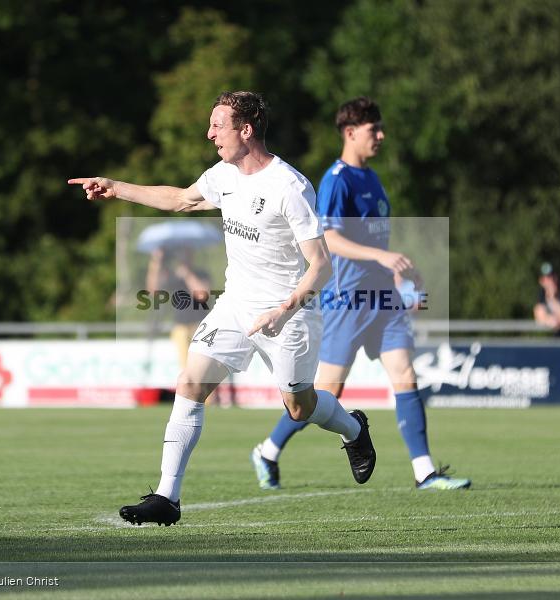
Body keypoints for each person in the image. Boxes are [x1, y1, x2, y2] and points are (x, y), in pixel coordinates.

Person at [68, 91, 376, 526]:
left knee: (299, 407)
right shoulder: (223, 174)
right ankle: (167, 497)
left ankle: (354, 429)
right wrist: (117, 188)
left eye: (218, 125)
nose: (209, 134)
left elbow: (321, 265)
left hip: (290, 315)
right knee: (190, 382)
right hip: (235, 306)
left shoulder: (290, 187)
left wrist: (283, 310)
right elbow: (182, 199)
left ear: (245, 130)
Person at [250, 97, 470, 492]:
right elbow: (330, 239)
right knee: (326, 393)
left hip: (382, 298)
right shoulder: (337, 180)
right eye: (374, 129)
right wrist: (383, 256)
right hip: (346, 300)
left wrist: (399, 273)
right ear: (350, 132)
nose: (381, 136)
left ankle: (425, 472)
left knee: (405, 374)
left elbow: (375, 242)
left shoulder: (372, 178)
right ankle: (268, 450)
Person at [146, 247, 212, 369]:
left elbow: (202, 295)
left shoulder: (201, 273)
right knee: (186, 368)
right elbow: (153, 291)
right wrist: (155, 262)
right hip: (180, 328)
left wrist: (187, 275)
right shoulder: (173, 275)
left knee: (204, 367)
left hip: (201, 326)